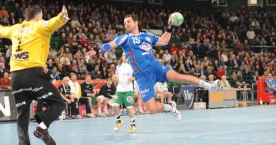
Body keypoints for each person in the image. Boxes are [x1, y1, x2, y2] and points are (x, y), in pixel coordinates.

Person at [86, 14, 220, 120]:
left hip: (155, 67)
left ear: (136, 22)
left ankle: (210, 85)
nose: (126, 24)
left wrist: (169, 27)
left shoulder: (147, 36)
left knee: (179, 77)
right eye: (125, 22)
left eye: (128, 21)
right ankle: (170, 107)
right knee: (151, 110)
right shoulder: (124, 38)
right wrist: (97, 51)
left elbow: (164, 41)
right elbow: (110, 44)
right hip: (142, 76)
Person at [0, 5, 69, 145]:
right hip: (33, 75)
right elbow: (51, 23)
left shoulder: (15, 28)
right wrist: (61, 18)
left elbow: (0, 30)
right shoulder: (38, 26)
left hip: (16, 78)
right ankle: (42, 127)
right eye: (41, 16)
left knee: (22, 116)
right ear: (38, 17)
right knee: (59, 103)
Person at [112, 53, 136, 133]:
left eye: (126, 55)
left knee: (129, 108)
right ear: (122, 57)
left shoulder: (132, 66)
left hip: (128, 90)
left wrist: (133, 78)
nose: (124, 57)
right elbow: (116, 78)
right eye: (123, 55)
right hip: (119, 90)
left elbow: (139, 75)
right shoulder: (118, 67)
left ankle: (133, 124)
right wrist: (114, 79)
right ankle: (119, 121)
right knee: (115, 105)